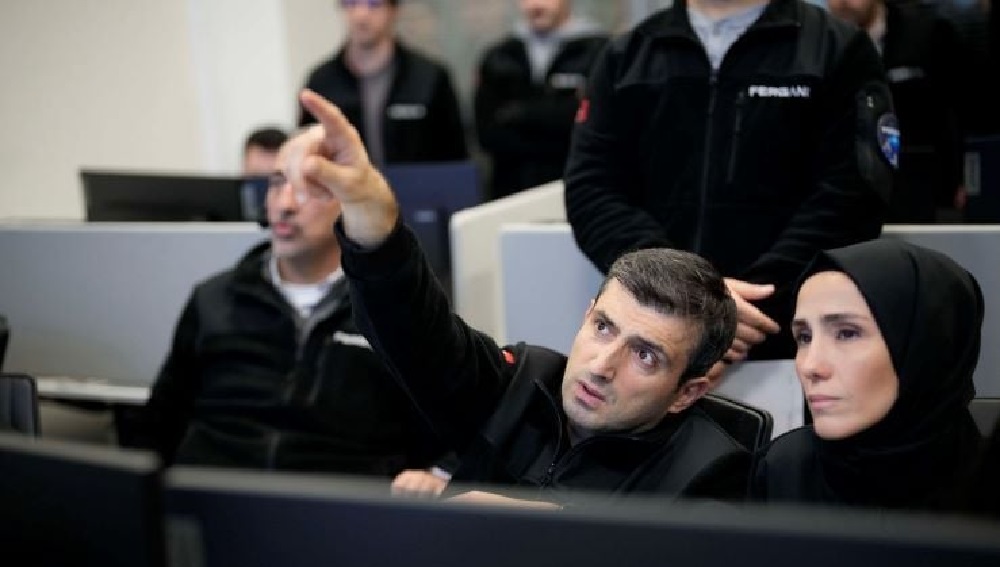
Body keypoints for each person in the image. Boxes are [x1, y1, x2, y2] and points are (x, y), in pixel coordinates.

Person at [284, 89, 753, 508]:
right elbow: (415, 330)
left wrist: (545, 529)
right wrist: (369, 210)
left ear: (687, 393)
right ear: (587, 315)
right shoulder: (523, 385)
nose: (601, 365)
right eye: (603, 327)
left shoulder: (712, 473)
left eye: (646, 355)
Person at [564, 0, 897, 371]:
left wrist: (740, 311)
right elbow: (592, 190)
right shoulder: (626, 57)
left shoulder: (836, 49)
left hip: (788, 336)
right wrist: (683, 293)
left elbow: (853, 194)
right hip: (653, 334)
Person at [127, 130, 444, 478]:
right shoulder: (214, 299)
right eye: (277, 184)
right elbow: (157, 427)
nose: (285, 204)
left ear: (352, 202)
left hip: (339, 502)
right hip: (216, 494)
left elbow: (452, 435)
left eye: (311, 188)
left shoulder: (395, 310)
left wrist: (436, 477)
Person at [753, 238, 987, 513]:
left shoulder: (987, 485)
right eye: (804, 337)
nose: (810, 366)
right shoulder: (782, 472)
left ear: (925, 346)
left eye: (847, 333)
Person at [827, 0, 968, 222]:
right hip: (842, 198)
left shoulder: (927, 33)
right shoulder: (816, 47)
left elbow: (958, 112)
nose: (842, 2)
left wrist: (959, 178)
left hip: (921, 193)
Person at [297, 0, 467, 166]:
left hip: (420, 184)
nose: (361, 15)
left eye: (374, 4)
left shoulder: (429, 78)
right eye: (351, 3)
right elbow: (308, 154)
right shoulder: (322, 83)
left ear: (394, 10)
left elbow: (456, 159)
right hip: (344, 184)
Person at [474, 0, 609, 199]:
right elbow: (488, 134)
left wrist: (521, 114)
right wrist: (557, 116)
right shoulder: (499, 57)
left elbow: (599, 126)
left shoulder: (599, 52)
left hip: (581, 189)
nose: (536, 5)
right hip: (512, 192)